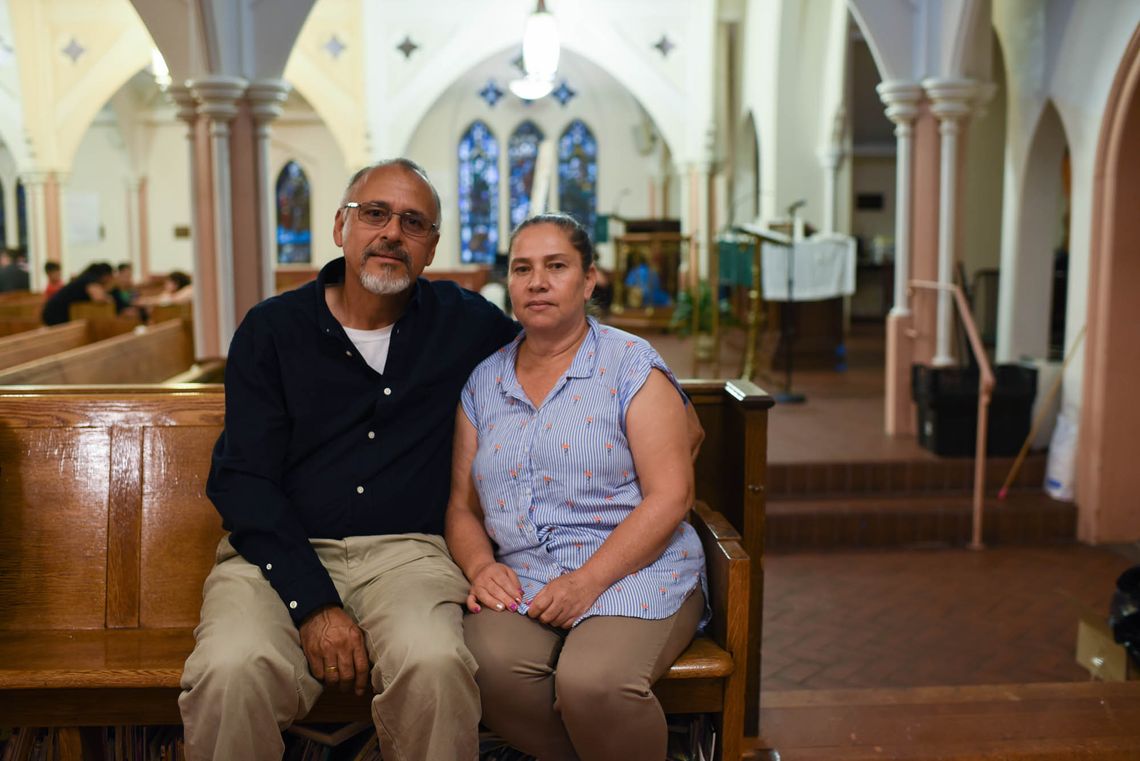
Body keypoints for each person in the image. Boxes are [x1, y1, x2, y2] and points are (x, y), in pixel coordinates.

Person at [178, 158, 520, 761]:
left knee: (435, 665)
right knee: (231, 672)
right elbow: (243, 479)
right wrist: (314, 605)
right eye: (375, 214)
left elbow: (558, 354)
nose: (392, 232)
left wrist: (650, 393)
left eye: (413, 222)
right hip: (276, 554)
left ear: (431, 247)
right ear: (341, 226)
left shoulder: (466, 324)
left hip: (408, 554)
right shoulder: (272, 330)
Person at [445, 213, 707, 761]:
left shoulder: (630, 366)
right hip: (530, 580)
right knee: (478, 664)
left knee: (592, 682)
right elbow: (462, 508)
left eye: (556, 266)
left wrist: (587, 581)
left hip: (635, 570)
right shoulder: (483, 382)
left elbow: (671, 496)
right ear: (509, 284)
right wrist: (480, 568)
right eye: (523, 269)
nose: (537, 282)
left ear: (589, 280)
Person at [41, 261, 114, 325]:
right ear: (106, 276)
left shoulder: (87, 277)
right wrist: (108, 297)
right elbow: (99, 298)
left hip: (54, 313)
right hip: (54, 314)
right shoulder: (90, 279)